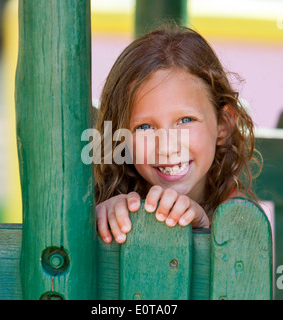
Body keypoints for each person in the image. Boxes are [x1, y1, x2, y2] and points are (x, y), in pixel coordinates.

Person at [94, 25, 262, 244]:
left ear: (222, 124)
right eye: (144, 127)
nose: (166, 147)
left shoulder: (241, 218)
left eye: (185, 120)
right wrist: (97, 225)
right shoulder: (110, 209)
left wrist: (204, 233)